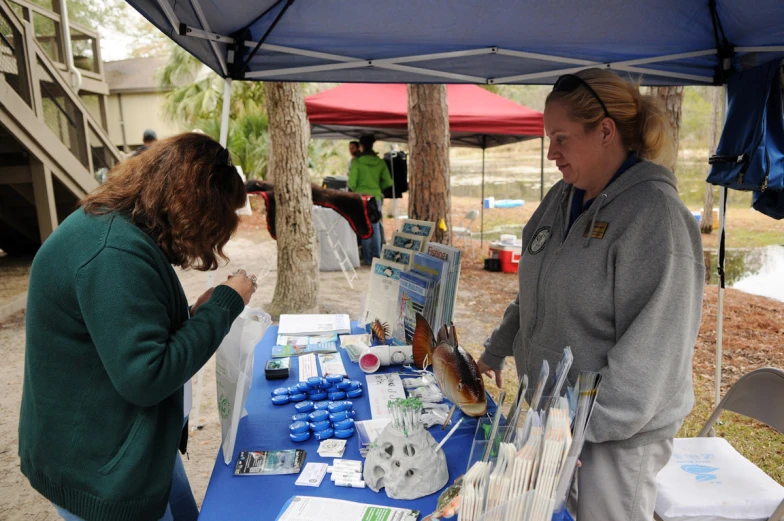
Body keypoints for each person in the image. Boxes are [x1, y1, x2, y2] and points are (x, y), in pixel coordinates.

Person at [477, 69, 704, 521]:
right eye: (549, 138)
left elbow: (653, 354)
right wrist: (498, 348)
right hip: (556, 421)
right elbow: (535, 288)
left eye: (561, 138)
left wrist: (580, 431)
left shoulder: (655, 217)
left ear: (604, 131)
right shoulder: (563, 197)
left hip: (615, 439)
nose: (550, 153)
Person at [18, 132, 258, 521]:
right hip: (101, 469)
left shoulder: (115, 225)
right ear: (195, 207)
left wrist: (194, 318)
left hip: (126, 447)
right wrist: (226, 307)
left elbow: (129, 331)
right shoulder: (113, 253)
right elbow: (146, 376)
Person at [349, 134, 393, 264]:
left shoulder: (357, 162)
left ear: (361, 146)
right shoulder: (380, 162)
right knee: (375, 226)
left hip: (361, 198)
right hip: (376, 197)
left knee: (364, 226)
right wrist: (378, 187)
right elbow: (388, 182)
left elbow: (351, 183)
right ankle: (377, 257)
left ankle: (367, 258)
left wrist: (359, 189)